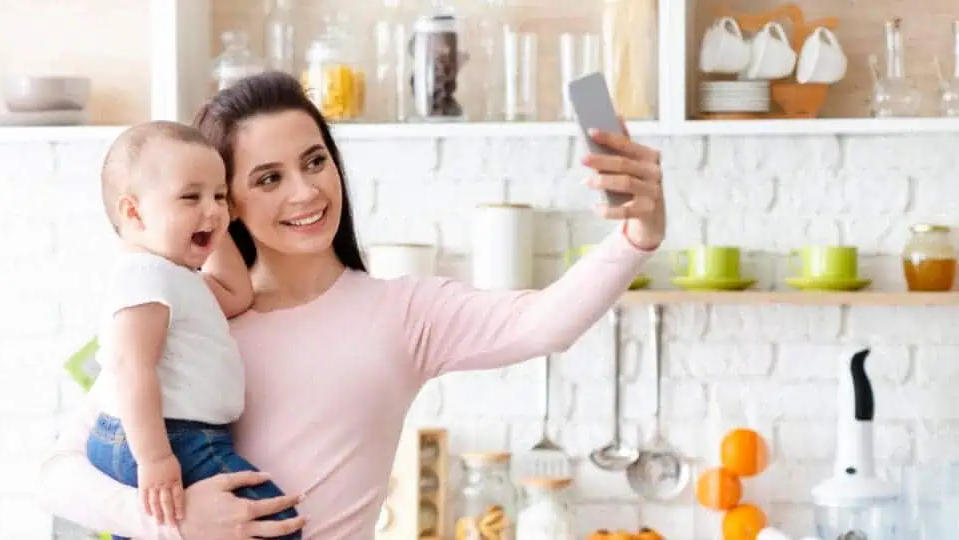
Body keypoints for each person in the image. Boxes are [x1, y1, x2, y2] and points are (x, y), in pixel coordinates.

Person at [40, 70, 667, 540]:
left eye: (316, 162)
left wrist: (636, 238)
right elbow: (62, 473)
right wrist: (175, 524)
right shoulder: (188, 312)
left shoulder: (402, 314)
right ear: (221, 200)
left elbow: (545, 324)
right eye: (268, 178)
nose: (306, 190)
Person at [85, 120, 300, 540]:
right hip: (172, 437)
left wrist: (207, 225)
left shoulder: (174, 275)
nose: (216, 209)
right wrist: (155, 459)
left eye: (220, 196)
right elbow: (133, 369)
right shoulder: (145, 277)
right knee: (275, 529)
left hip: (166, 434)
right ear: (134, 212)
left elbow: (236, 295)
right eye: (190, 196)